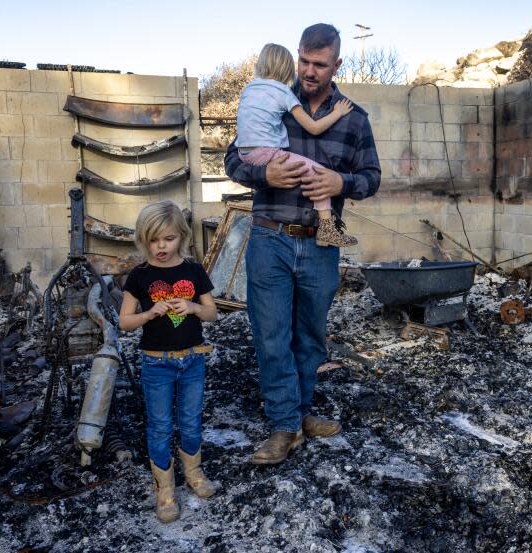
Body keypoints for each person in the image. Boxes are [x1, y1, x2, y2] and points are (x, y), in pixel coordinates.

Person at [224, 23, 381, 465]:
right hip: (269, 236)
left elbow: (371, 179)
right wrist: (263, 174)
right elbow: (233, 158)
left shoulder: (354, 119)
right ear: (297, 56)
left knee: (309, 337)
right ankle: (284, 426)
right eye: (305, 62)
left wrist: (341, 181)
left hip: (320, 244)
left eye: (320, 64)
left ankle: (301, 412)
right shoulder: (269, 96)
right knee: (271, 336)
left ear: (337, 64)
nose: (310, 72)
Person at [118, 201, 219, 523]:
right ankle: (164, 488)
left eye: (169, 239)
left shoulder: (193, 270)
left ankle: (194, 473)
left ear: (182, 237)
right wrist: (149, 313)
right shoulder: (140, 276)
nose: (161, 247)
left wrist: (191, 307)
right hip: (156, 363)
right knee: (160, 425)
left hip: (192, 360)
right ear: (143, 239)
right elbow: (125, 322)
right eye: (153, 240)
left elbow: (212, 314)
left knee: (190, 420)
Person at [236, 42, 357, 248]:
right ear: (288, 67)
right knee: (320, 174)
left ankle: (326, 229)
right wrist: (337, 113)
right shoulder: (284, 93)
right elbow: (314, 128)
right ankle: (327, 229)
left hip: (244, 153)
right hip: (266, 154)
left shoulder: (249, 89)